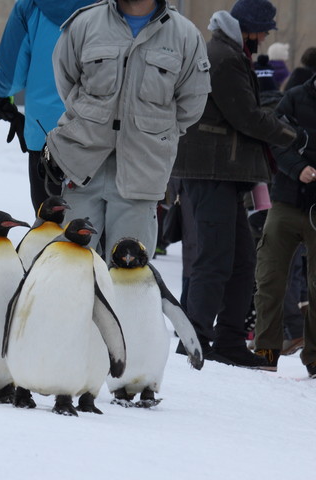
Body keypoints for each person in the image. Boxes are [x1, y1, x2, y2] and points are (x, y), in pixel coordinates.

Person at [171, 0, 308, 368]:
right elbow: (245, 115)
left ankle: (230, 340)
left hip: (226, 173)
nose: (265, 36)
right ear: (248, 26)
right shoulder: (224, 57)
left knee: (242, 262)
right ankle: (195, 340)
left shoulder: (231, 52)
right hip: (211, 170)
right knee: (214, 261)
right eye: (264, 29)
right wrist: (290, 135)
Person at [44, 0, 211, 264]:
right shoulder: (85, 23)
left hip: (142, 171)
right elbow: (65, 80)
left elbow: (191, 103)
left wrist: (154, 133)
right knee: (68, 266)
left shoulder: (185, 35)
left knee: (129, 273)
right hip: (82, 165)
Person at [0, 0, 95, 215]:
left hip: (46, 134)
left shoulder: (30, 7)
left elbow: (11, 80)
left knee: (50, 226)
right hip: (99, 136)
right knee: (96, 233)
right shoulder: (114, 7)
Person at [252, 72, 316, 379]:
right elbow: (275, 137)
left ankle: (314, 358)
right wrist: (298, 168)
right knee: (269, 278)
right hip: (287, 202)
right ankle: (266, 350)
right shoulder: (295, 96)